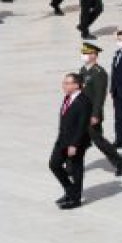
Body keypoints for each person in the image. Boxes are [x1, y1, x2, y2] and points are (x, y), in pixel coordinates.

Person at [79, 43, 122, 175]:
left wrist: (95, 115)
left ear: (94, 56)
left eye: (87, 53)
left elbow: (99, 96)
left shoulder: (99, 73)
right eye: (83, 53)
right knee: (80, 140)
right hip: (82, 113)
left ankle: (120, 162)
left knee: (98, 141)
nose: (84, 56)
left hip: (91, 114)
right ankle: (72, 166)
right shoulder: (83, 70)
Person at [50, 72, 91, 210]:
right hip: (62, 140)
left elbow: (82, 126)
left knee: (76, 170)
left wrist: (74, 144)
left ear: (76, 85)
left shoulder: (84, 101)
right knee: (54, 164)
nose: (64, 85)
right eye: (64, 82)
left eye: (67, 83)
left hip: (76, 142)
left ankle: (76, 198)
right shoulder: (67, 98)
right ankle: (70, 190)